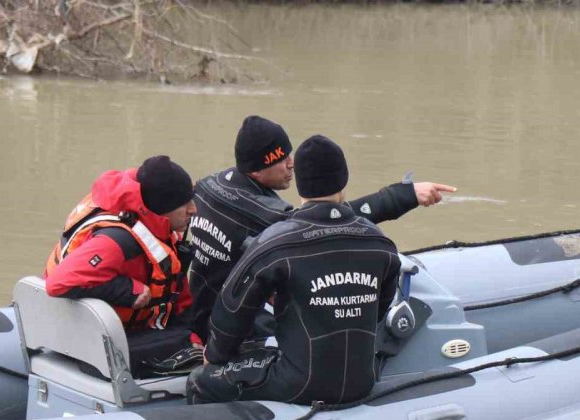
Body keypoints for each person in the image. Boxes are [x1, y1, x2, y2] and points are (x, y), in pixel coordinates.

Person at [187, 115, 455, 339]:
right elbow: (329, 220)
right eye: (281, 159)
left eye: (289, 153)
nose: (291, 163)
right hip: (226, 328)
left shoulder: (209, 184)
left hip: (200, 308)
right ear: (257, 170)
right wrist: (403, 195)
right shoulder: (267, 214)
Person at [187, 135, 401, 406]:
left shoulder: (275, 243)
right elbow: (379, 310)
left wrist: (215, 355)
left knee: (199, 381)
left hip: (297, 384)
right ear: (344, 180)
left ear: (300, 184)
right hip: (363, 381)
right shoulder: (379, 242)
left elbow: (233, 308)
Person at [44, 155, 202, 378]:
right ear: (161, 207)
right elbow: (57, 283)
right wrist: (128, 290)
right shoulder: (117, 240)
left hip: (114, 329)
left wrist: (195, 332)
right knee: (191, 348)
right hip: (89, 345)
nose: (193, 209)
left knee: (197, 336)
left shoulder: (156, 228)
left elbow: (177, 291)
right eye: (184, 203)